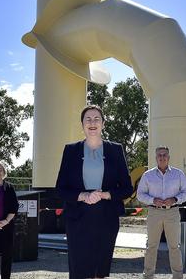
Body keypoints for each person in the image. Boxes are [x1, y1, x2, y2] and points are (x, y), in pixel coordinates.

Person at [55, 105, 133, 279]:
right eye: (88, 119)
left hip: (106, 217)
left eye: (96, 119)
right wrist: (82, 196)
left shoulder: (115, 149)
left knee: (100, 269)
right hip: (77, 218)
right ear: (82, 124)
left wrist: (105, 194)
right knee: (79, 268)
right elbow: (60, 189)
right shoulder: (70, 150)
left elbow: (127, 188)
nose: (92, 122)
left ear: (103, 123)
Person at [136, 145, 186, 279]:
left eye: (164, 155)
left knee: (174, 247)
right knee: (151, 246)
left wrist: (175, 199)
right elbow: (140, 194)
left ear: (169, 157)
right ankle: (148, 276)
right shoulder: (147, 175)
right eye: (159, 155)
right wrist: (152, 200)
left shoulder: (179, 174)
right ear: (156, 158)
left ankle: (178, 276)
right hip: (154, 212)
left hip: (172, 212)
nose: (162, 157)